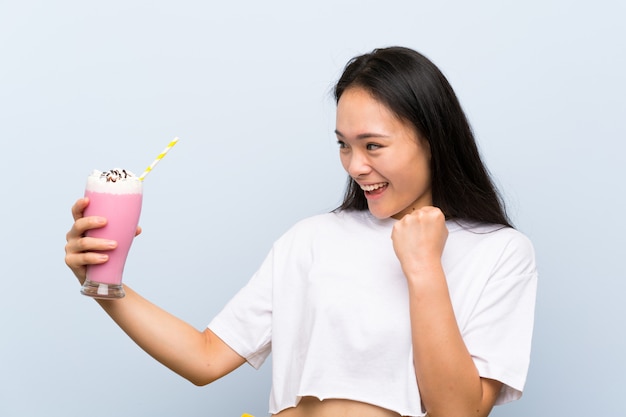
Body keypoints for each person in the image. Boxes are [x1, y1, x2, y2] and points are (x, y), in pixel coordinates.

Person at [65, 46, 537, 417]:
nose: (356, 166)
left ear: (433, 139)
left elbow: (456, 412)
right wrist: (104, 285)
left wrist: (423, 267)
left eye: (373, 145)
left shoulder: (499, 252)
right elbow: (204, 358)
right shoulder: (312, 238)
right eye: (343, 146)